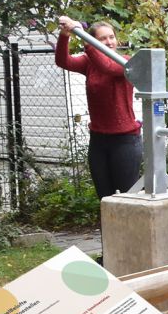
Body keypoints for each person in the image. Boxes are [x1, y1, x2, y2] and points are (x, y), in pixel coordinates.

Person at [55, 16, 142, 200]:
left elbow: (108, 67)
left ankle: (128, 230)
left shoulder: (125, 62)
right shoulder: (89, 63)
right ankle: (106, 230)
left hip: (125, 141)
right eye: (103, 38)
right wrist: (65, 35)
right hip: (99, 141)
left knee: (125, 200)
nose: (109, 42)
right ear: (96, 40)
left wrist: (85, 38)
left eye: (111, 37)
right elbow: (64, 61)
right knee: (105, 199)